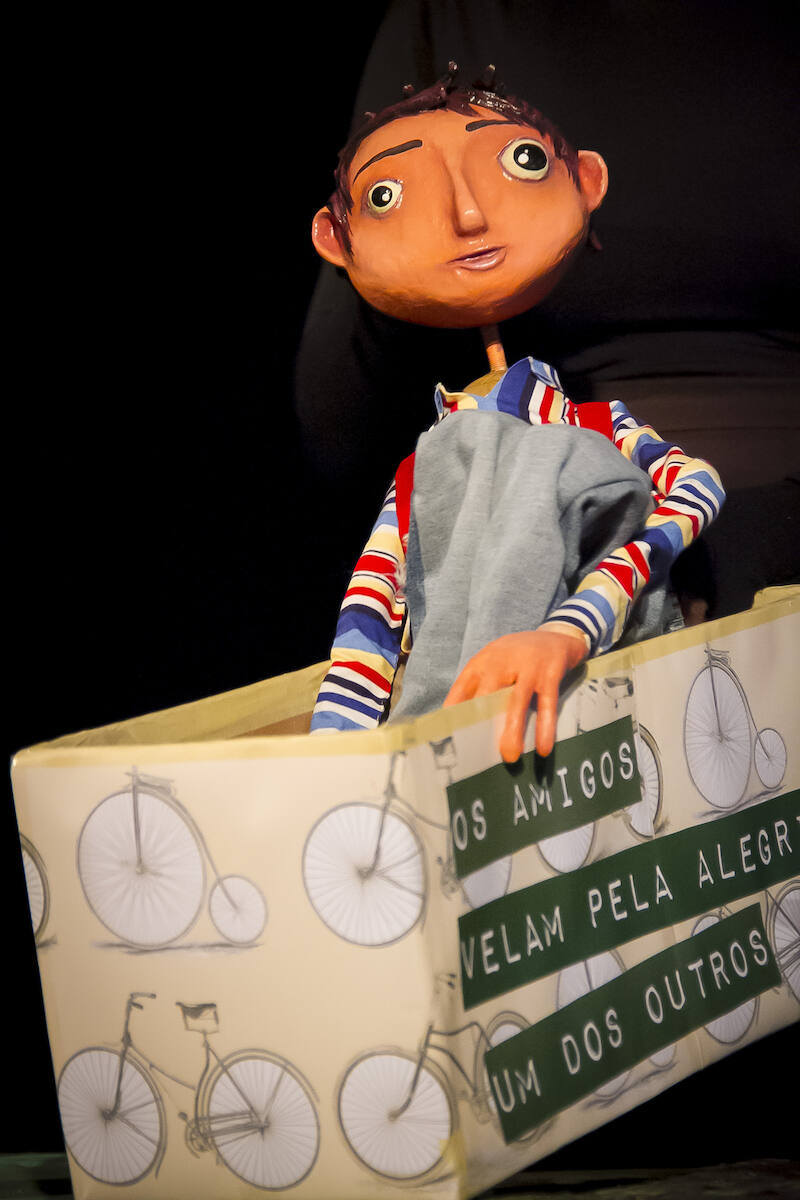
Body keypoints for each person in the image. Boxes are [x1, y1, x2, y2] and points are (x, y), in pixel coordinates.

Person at [309, 67, 724, 761]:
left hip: (627, 710)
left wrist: (575, 624)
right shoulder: (422, 475)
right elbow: (368, 627)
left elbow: (696, 489)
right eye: (387, 196)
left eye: (523, 161)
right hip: (465, 745)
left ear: (585, 180)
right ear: (336, 241)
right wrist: (332, 761)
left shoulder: (594, 428)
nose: (469, 215)